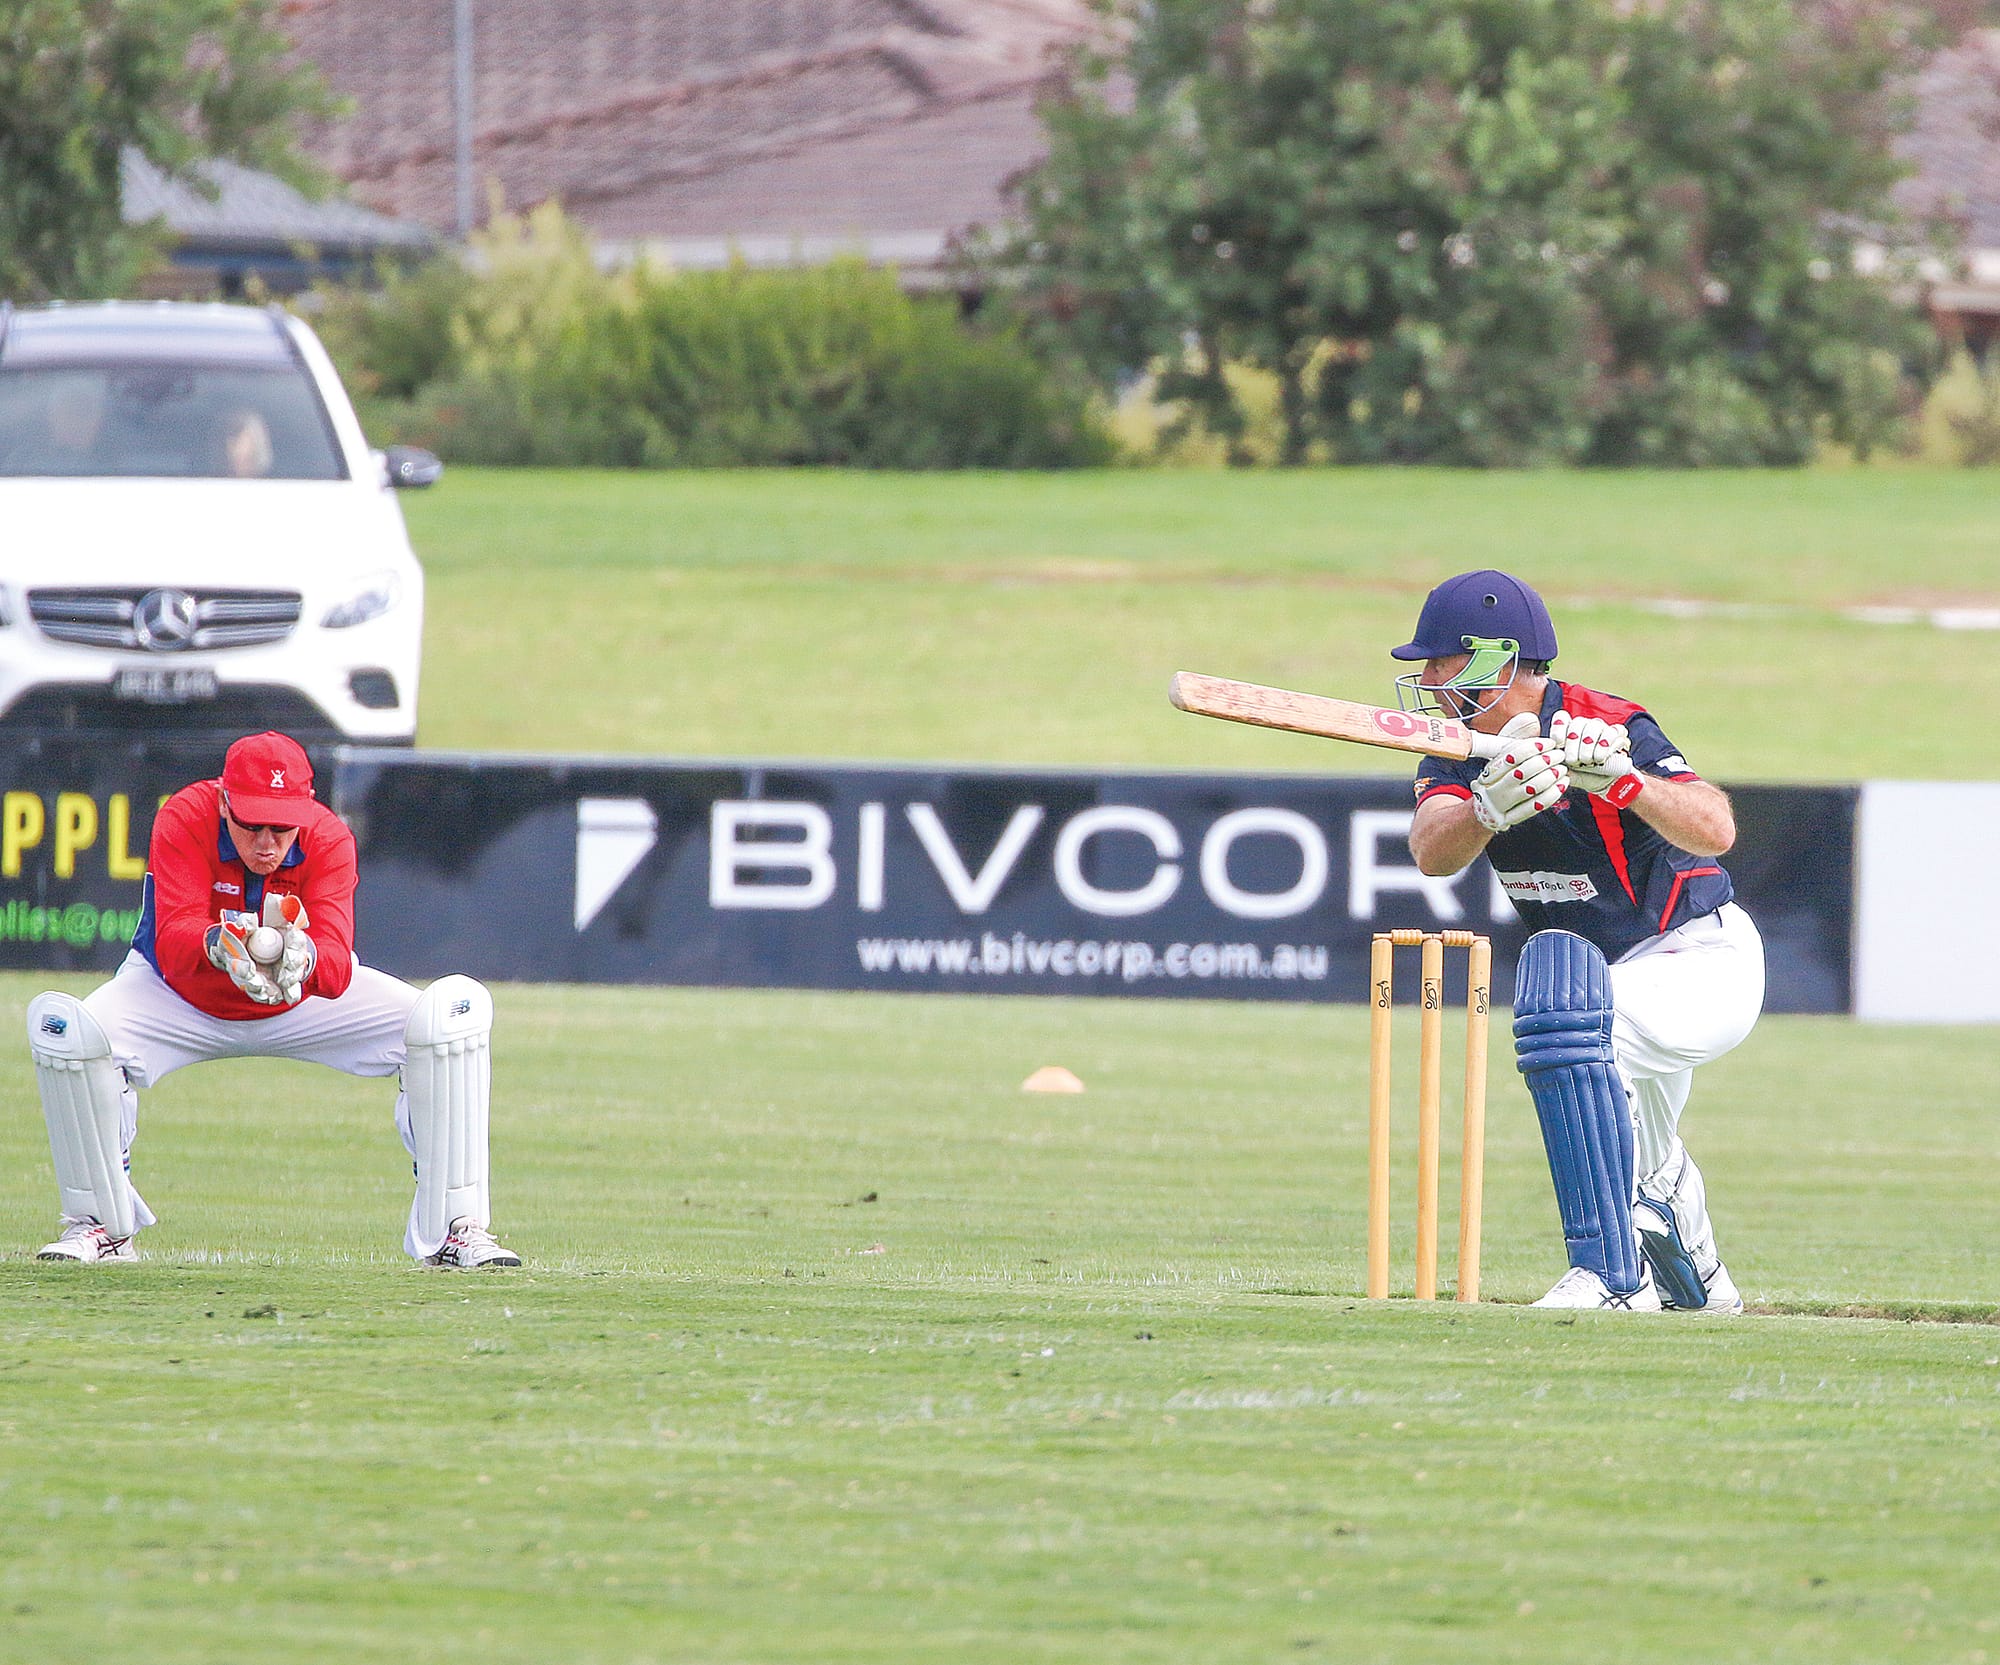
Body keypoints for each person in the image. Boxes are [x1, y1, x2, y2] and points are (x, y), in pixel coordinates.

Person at [1396, 569, 1762, 1312]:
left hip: (1699, 960)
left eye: (1438, 661)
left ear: (1489, 659)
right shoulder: (1457, 749)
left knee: (1568, 1023)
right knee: (1645, 1161)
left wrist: (1624, 782)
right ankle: (1703, 1278)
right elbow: (1434, 851)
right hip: (1610, 975)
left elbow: (1716, 828)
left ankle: (1611, 1277)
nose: (1427, 679)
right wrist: (1486, 810)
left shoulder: (1607, 722)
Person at [26, 732, 519, 1270]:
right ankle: (98, 1225)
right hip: (178, 994)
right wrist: (216, 944)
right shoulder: (185, 816)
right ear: (223, 803)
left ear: (304, 813)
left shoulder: (330, 839)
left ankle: (455, 1230)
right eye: (251, 824)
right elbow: (172, 942)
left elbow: (334, 967)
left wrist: (302, 960)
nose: (267, 843)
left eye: (282, 827)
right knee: (73, 1037)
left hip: (298, 999)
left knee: (445, 1025)